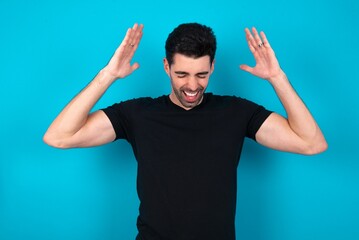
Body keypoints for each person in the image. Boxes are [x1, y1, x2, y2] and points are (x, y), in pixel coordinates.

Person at [43, 23, 327, 240]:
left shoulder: (237, 112)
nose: (192, 85)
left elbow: (311, 143)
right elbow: (59, 136)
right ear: (167, 66)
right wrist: (108, 75)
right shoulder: (137, 115)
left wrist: (277, 78)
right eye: (182, 74)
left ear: (213, 67)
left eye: (201, 74)